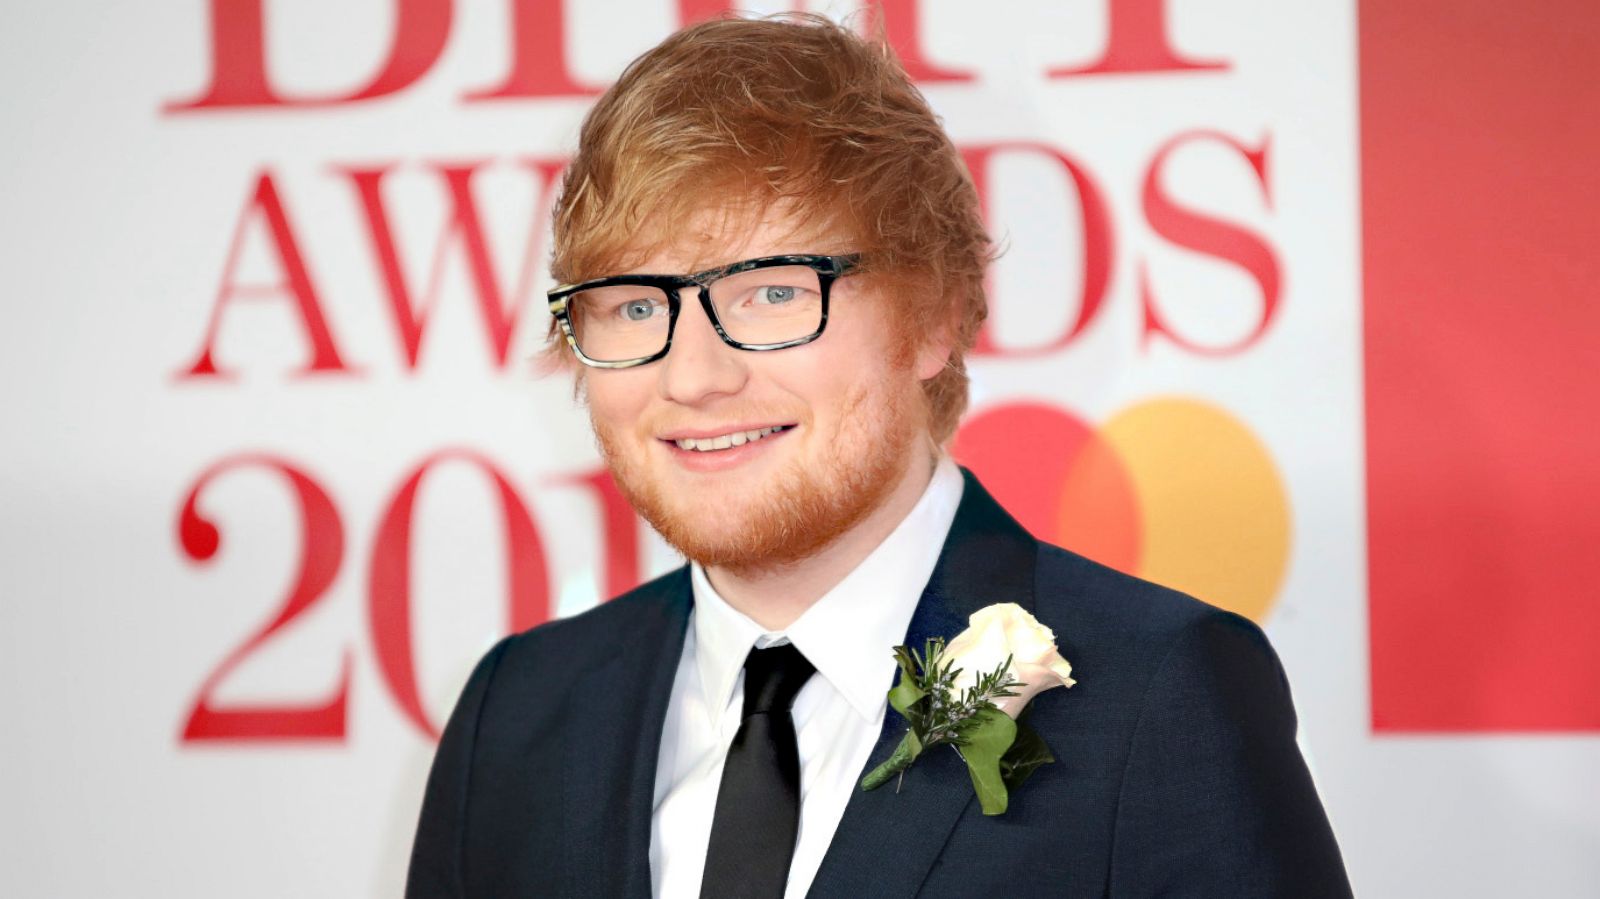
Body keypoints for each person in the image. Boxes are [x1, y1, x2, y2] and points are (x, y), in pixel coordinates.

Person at [407, 13, 1351, 899]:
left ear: (935, 312)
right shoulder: (515, 717)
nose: (691, 376)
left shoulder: (1161, 698)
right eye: (637, 306)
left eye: (771, 292)